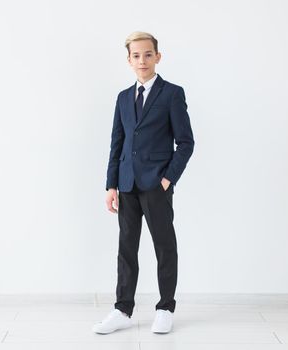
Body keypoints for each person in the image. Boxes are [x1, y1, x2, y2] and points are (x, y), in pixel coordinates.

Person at [92, 31, 195, 334]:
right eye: (136, 55)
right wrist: (111, 185)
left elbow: (186, 142)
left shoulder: (172, 94)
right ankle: (122, 309)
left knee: (164, 246)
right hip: (127, 185)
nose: (142, 60)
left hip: (156, 185)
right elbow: (117, 142)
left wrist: (167, 179)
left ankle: (165, 307)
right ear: (129, 60)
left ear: (157, 57)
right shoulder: (124, 97)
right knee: (126, 248)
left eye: (148, 54)